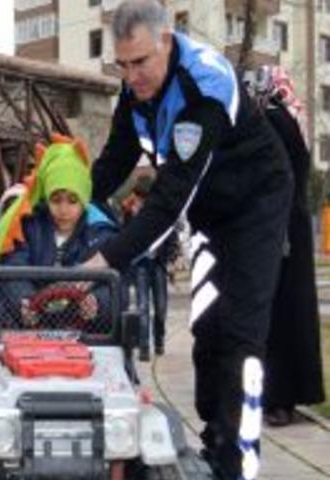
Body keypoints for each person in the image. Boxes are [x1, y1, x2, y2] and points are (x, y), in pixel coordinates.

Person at [81, 2, 293, 478]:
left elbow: (167, 201)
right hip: (210, 213)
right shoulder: (136, 87)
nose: (131, 75)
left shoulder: (204, 88)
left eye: (140, 63)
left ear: (166, 42)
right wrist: (61, 203)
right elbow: (114, 161)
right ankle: (214, 440)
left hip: (255, 204)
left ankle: (239, 464)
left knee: (241, 335)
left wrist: (105, 260)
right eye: (123, 63)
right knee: (207, 327)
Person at [247, 65, 325, 426]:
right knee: (288, 313)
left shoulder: (271, 119)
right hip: (286, 224)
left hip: (276, 227)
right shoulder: (288, 118)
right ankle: (283, 395)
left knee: (276, 314)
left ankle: (278, 398)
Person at [0, 135, 117, 329]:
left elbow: (114, 286)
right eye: (56, 200)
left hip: (85, 334)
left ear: (84, 201)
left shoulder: (100, 234)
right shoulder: (28, 227)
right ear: (46, 199)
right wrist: (24, 301)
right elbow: (13, 269)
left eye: (72, 201)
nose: (63, 209)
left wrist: (97, 303)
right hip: (33, 330)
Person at [121, 175, 177, 357]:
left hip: (158, 264)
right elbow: (125, 237)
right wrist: (129, 215)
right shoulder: (131, 212)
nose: (142, 200)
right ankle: (144, 346)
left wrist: (170, 259)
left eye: (145, 197)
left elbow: (171, 236)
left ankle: (159, 340)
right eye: (140, 196)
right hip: (140, 266)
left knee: (160, 308)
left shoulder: (161, 210)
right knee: (142, 307)